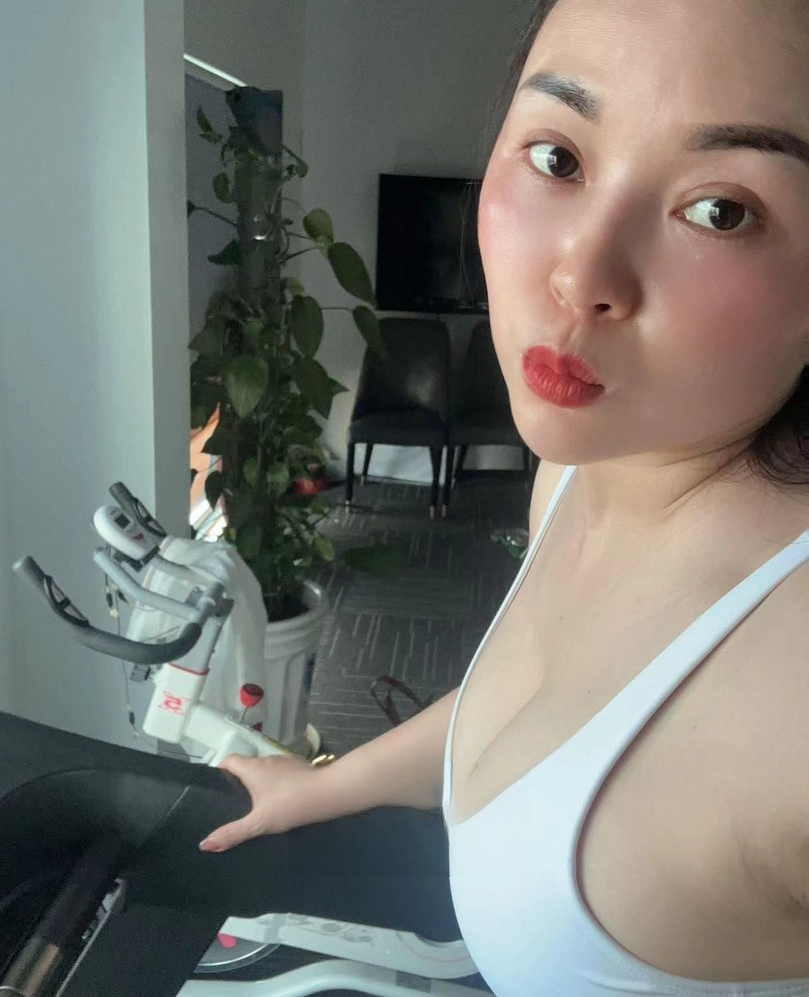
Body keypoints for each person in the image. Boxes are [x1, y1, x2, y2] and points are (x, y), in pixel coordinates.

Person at [201, 0, 809, 991]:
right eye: (557, 157)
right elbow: (532, 700)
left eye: (721, 211)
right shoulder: (577, 468)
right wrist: (324, 784)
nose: (580, 275)